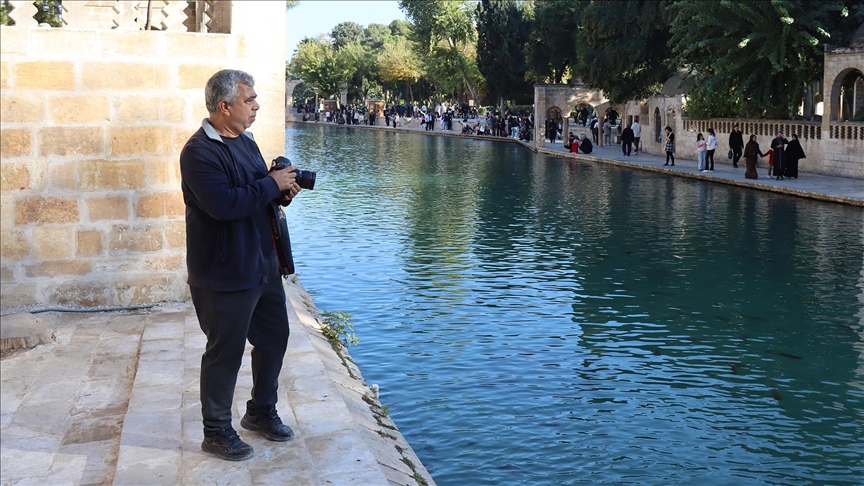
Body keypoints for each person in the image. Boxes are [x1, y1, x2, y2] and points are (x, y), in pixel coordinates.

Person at [180, 70, 299, 461]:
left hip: (262, 262)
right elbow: (224, 204)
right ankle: (215, 432)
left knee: (274, 337)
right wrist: (271, 184)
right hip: (224, 271)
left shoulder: (246, 141)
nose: (257, 106)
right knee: (224, 350)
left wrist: (280, 191)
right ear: (224, 106)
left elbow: (254, 194)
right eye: (249, 100)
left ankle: (260, 412)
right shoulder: (198, 151)